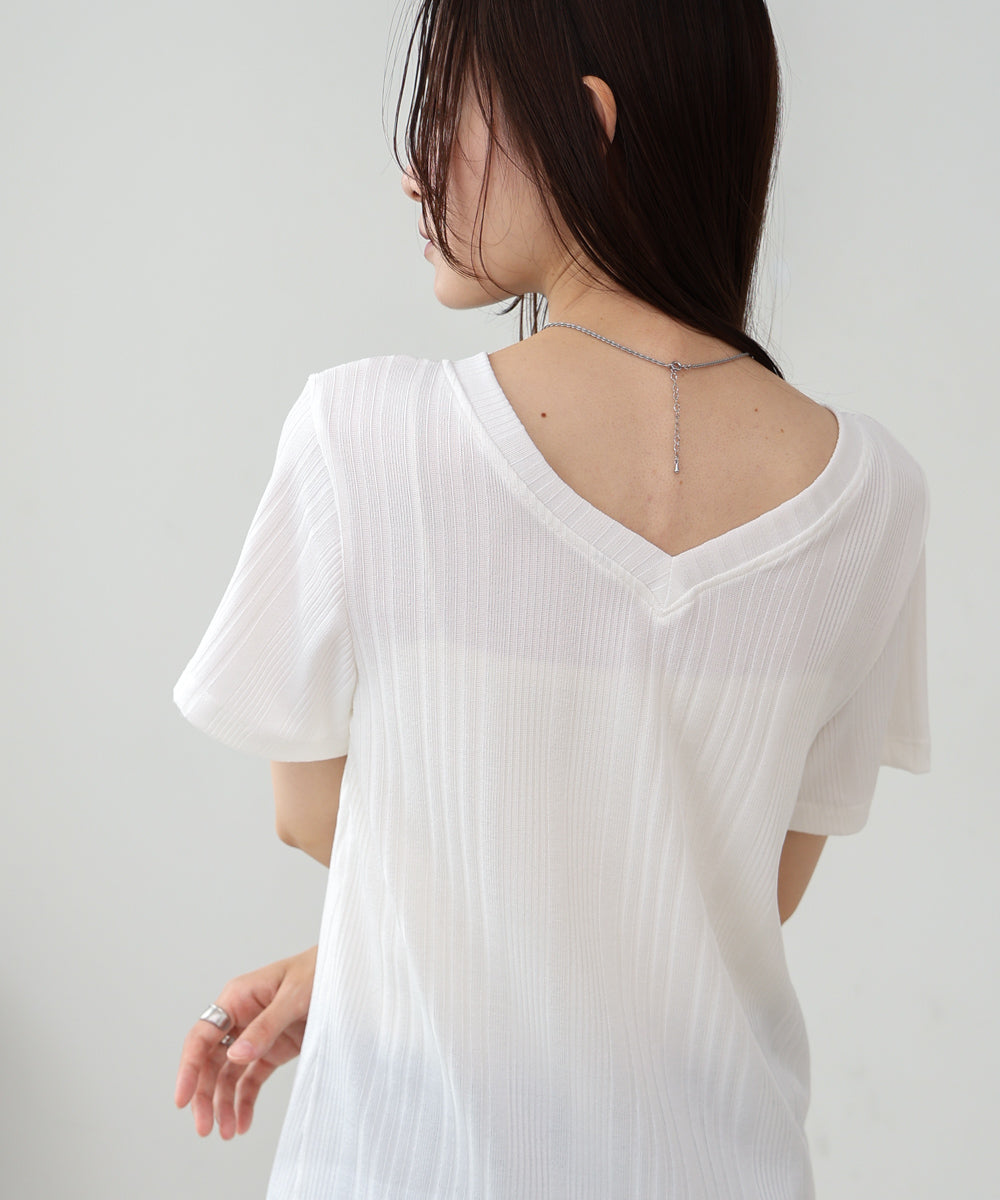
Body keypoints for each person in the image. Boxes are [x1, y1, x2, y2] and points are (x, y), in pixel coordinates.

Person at [172, 1, 930, 1196]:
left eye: (444, 115)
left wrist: (394, 955)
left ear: (584, 121)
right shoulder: (869, 492)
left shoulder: (366, 436)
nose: (414, 170)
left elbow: (314, 818)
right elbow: (735, 896)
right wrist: (362, 962)